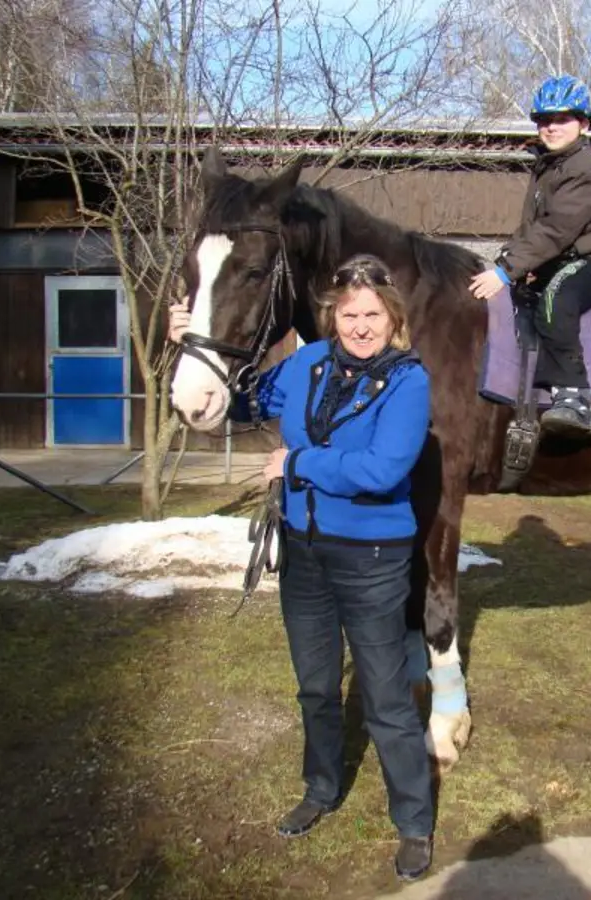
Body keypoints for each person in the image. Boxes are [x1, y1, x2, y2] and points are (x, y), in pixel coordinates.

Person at [168, 254, 436, 882]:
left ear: (392, 317)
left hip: (372, 559)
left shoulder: (408, 381)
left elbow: (383, 469)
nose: (361, 326)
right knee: (316, 687)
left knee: (385, 698)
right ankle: (321, 787)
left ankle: (414, 821)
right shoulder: (306, 363)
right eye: (350, 315)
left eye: (373, 315)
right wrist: (192, 342)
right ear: (332, 316)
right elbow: (241, 405)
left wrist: (296, 464)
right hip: (304, 553)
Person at [468, 73, 591, 441]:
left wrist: (505, 271)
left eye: (561, 119)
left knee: (556, 299)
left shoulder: (581, 169)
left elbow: (555, 230)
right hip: (561, 259)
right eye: (543, 120)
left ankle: (575, 397)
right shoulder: (549, 166)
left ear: (584, 124)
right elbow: (533, 228)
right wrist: (508, 259)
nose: (550, 127)